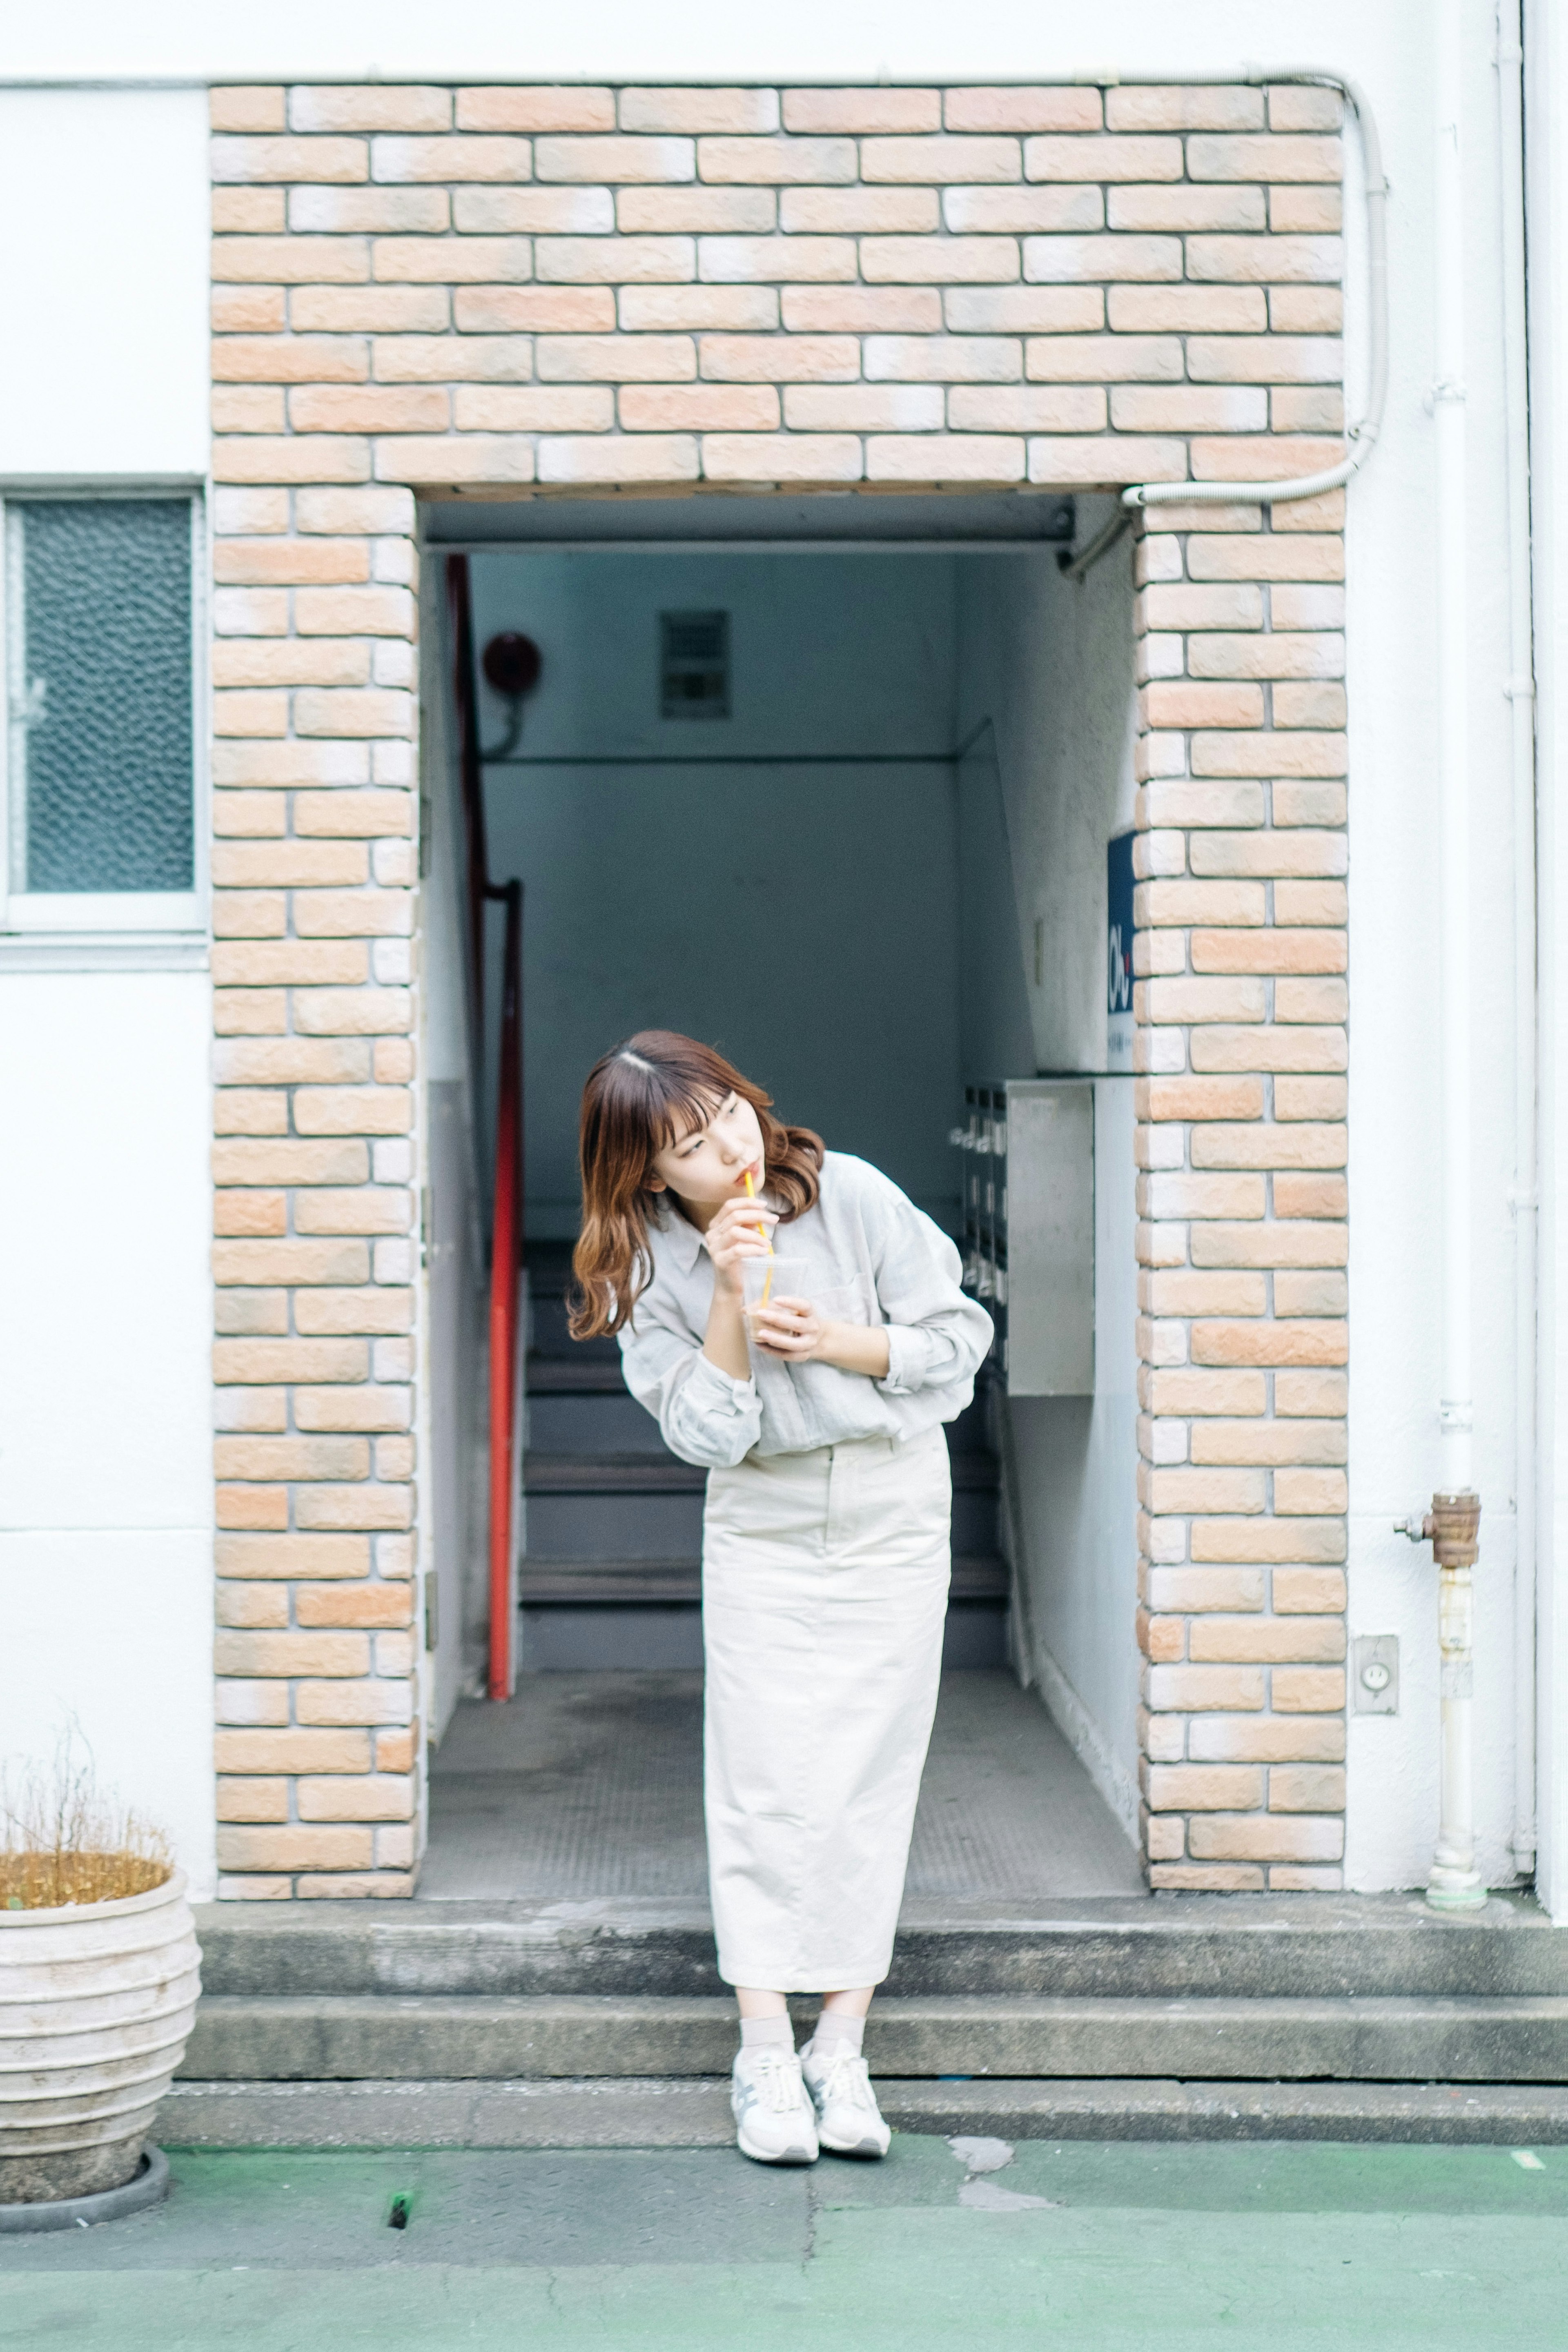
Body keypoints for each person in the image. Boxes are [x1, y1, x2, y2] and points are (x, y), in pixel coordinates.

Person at [570, 1031, 994, 2166]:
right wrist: (735, 1296)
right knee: (759, 1777)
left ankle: (841, 2048)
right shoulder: (651, 1268)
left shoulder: (848, 1192)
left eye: (730, 1119)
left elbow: (960, 1344)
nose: (730, 1148)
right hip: (761, 1519)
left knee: (871, 1772)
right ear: (648, 1175)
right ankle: (764, 2052)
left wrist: (842, 1341)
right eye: (694, 1148)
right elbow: (709, 1437)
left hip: (892, 1502)